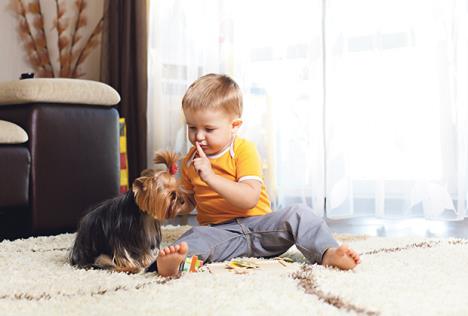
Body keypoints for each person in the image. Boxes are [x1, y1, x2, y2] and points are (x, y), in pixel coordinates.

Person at [156, 74, 360, 277]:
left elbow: (248, 199)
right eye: (192, 128)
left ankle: (327, 253)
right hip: (221, 234)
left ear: (234, 126)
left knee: (300, 213)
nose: (198, 136)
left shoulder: (244, 150)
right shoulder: (191, 160)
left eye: (209, 129)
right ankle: (177, 266)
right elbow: (191, 201)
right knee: (195, 236)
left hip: (263, 229)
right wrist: (174, 203)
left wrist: (211, 177)